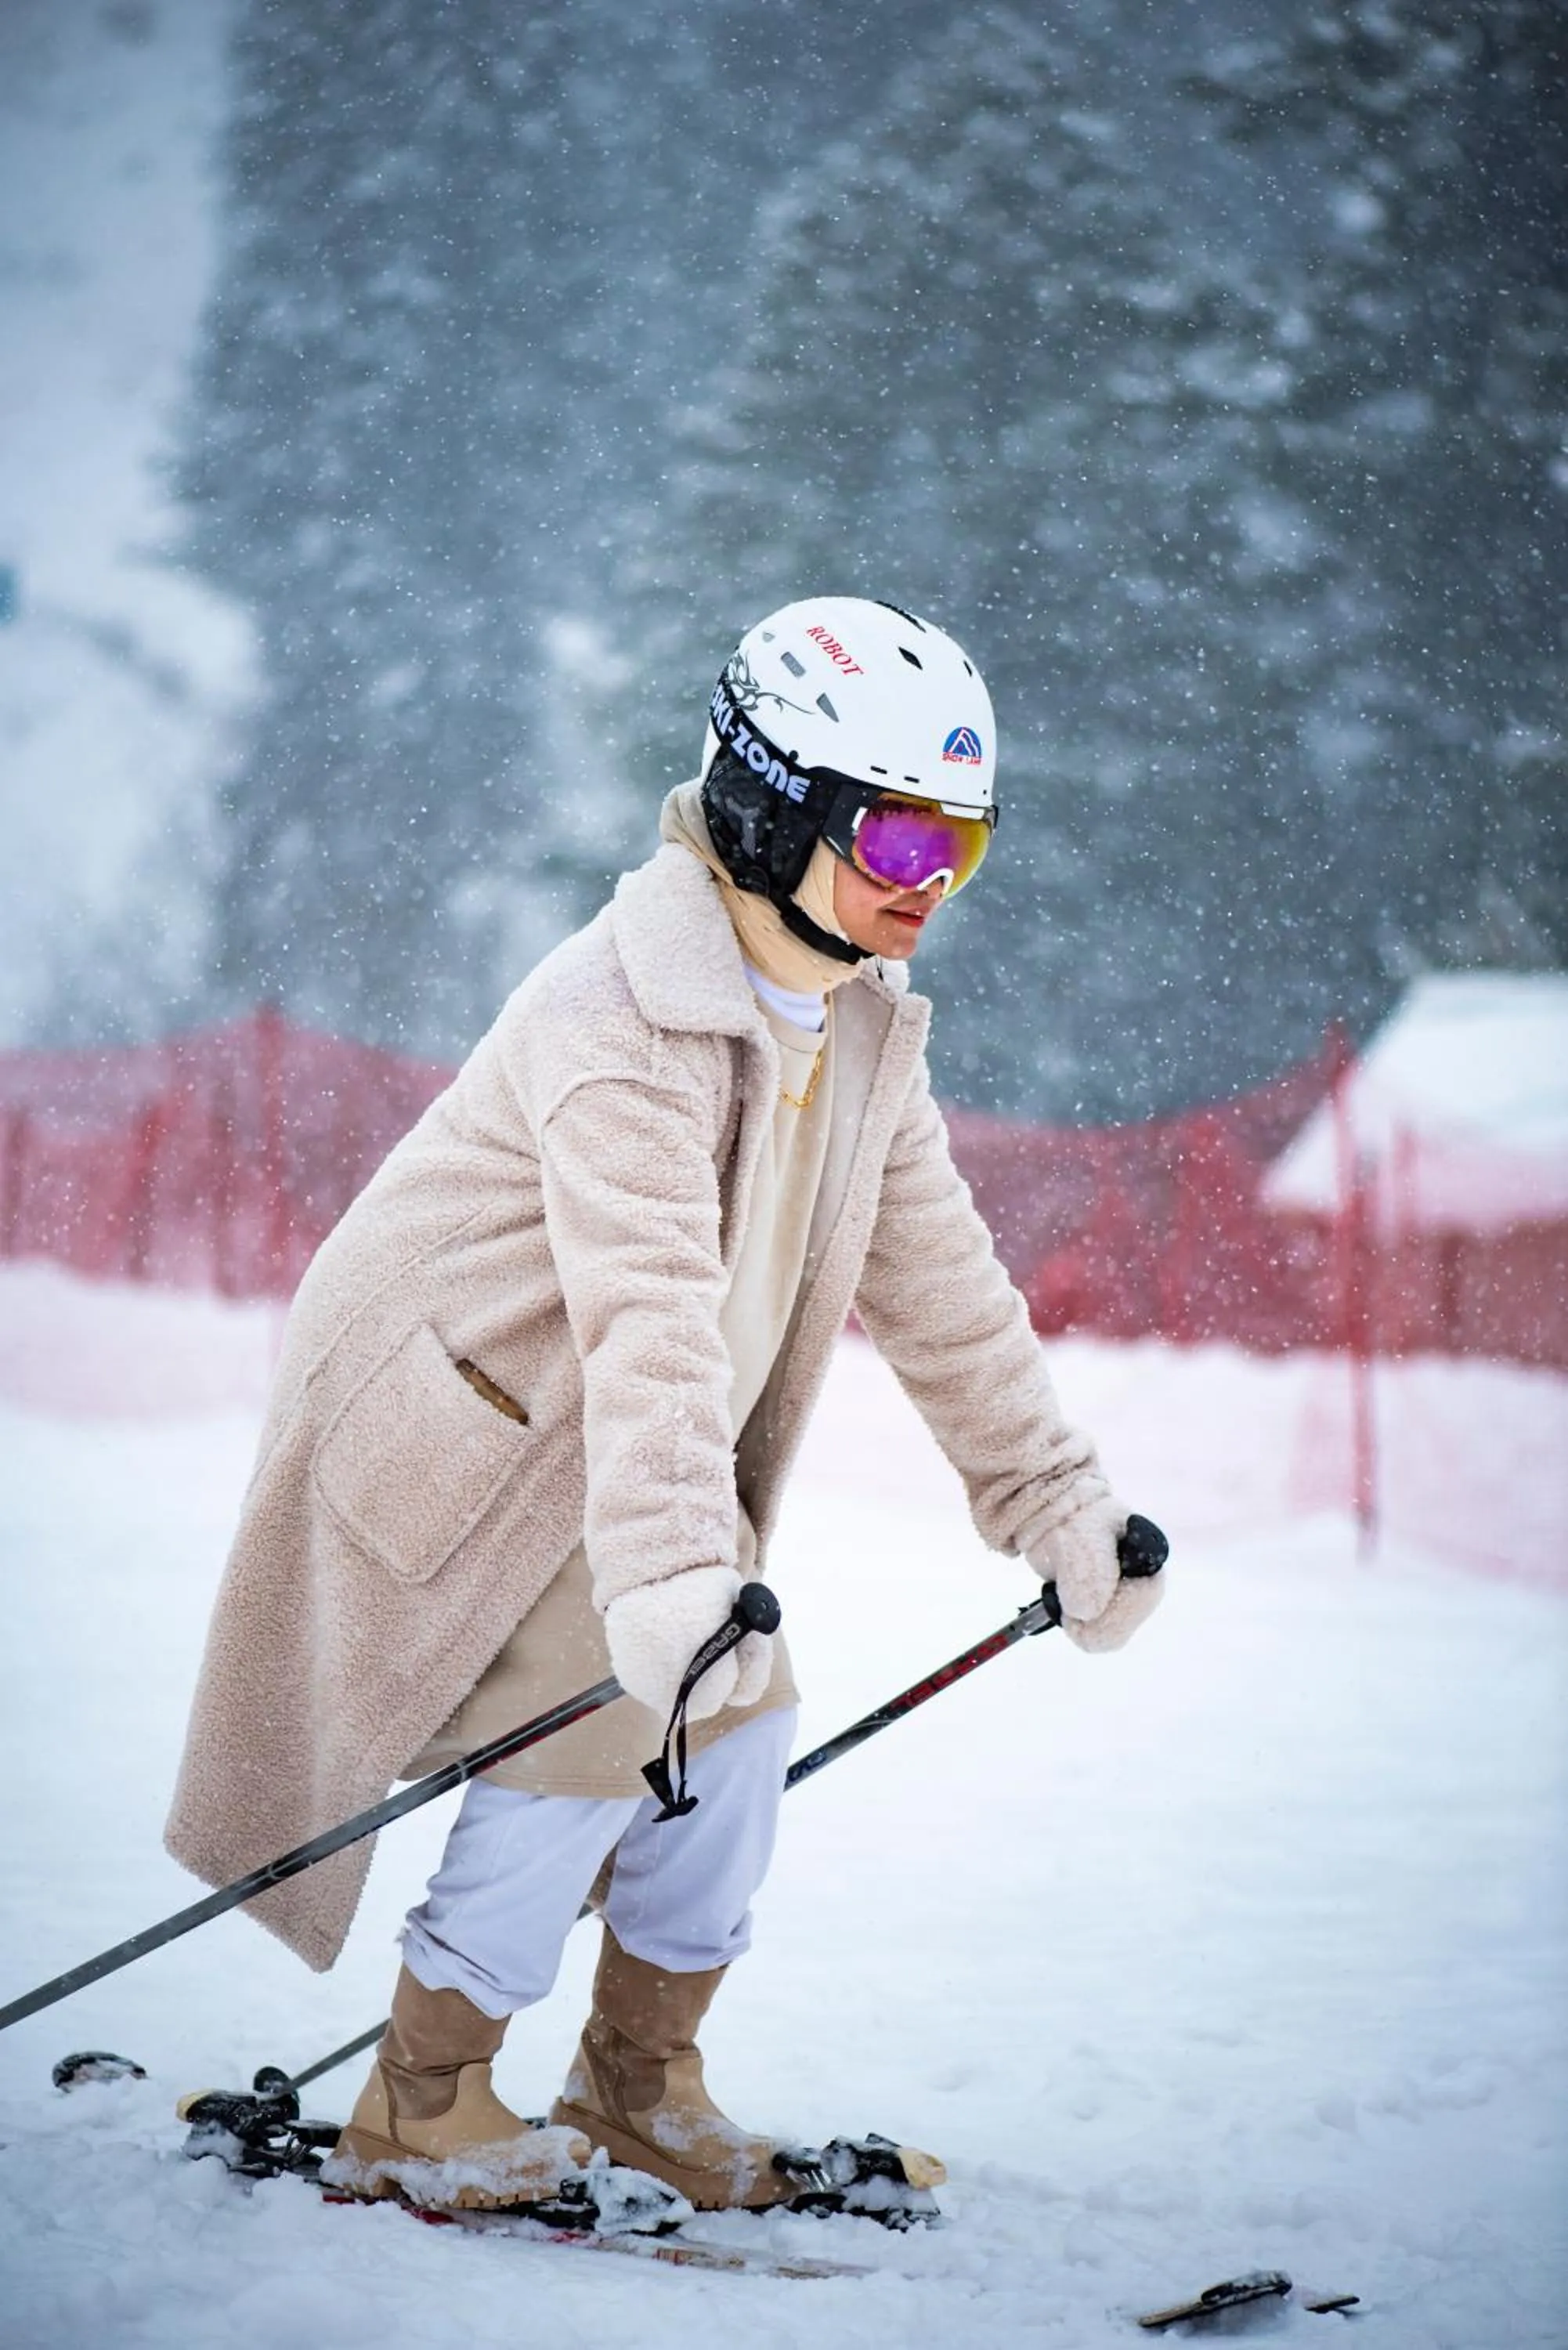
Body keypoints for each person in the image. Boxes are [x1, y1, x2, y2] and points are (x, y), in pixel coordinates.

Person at [165, 595, 1164, 2215]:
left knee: (742, 1707)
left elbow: (941, 1288)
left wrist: (1056, 1500)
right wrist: (665, 1568)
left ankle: (638, 2082)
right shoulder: (614, 1014)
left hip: (604, 1450)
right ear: (775, 810)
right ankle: (422, 2102)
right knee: (608, 1709)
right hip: (447, 1439)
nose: (932, 892)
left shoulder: (855, 1028)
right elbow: (648, 1319)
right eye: (902, 846)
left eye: (960, 853)